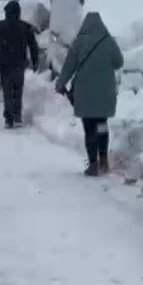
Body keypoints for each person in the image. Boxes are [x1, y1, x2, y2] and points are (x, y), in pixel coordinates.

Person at [54, 11, 124, 176]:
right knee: (101, 125)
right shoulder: (108, 41)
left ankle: (93, 164)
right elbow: (119, 62)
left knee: (89, 128)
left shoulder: (79, 43)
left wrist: (60, 83)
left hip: (85, 94)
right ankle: (104, 160)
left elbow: (69, 66)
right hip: (104, 93)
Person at [0, 1, 39, 128]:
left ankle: (9, 119)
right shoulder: (25, 27)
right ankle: (17, 116)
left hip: (5, 63)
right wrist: (35, 61)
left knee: (7, 90)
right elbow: (33, 45)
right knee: (18, 90)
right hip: (20, 63)